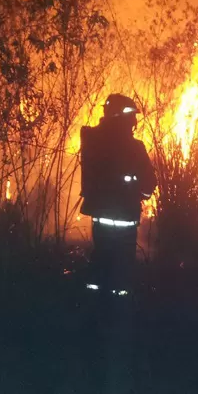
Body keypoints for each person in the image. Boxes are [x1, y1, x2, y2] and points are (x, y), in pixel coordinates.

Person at [79, 93, 157, 297]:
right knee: (122, 266)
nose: (134, 120)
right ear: (123, 116)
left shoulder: (93, 141)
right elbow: (149, 183)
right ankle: (119, 302)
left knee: (101, 259)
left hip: (100, 217)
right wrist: (140, 193)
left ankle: (94, 301)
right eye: (132, 115)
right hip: (125, 218)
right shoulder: (134, 147)